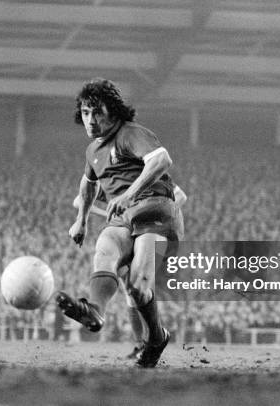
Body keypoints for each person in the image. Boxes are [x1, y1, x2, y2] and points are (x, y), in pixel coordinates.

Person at [56, 78, 184, 368]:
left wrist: (129, 193)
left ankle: (156, 337)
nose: (91, 120)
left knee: (139, 286)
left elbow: (162, 160)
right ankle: (95, 310)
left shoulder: (130, 134)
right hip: (124, 218)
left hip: (156, 212)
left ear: (112, 112)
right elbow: (87, 186)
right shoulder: (93, 151)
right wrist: (81, 221)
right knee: (105, 247)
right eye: (86, 113)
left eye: (97, 112)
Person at [72, 185, 187, 359]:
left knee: (139, 286)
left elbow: (180, 196)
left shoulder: (151, 179)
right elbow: (79, 200)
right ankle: (142, 343)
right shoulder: (111, 181)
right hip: (125, 230)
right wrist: (112, 214)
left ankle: (151, 339)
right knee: (130, 290)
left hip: (153, 228)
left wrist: (149, 212)